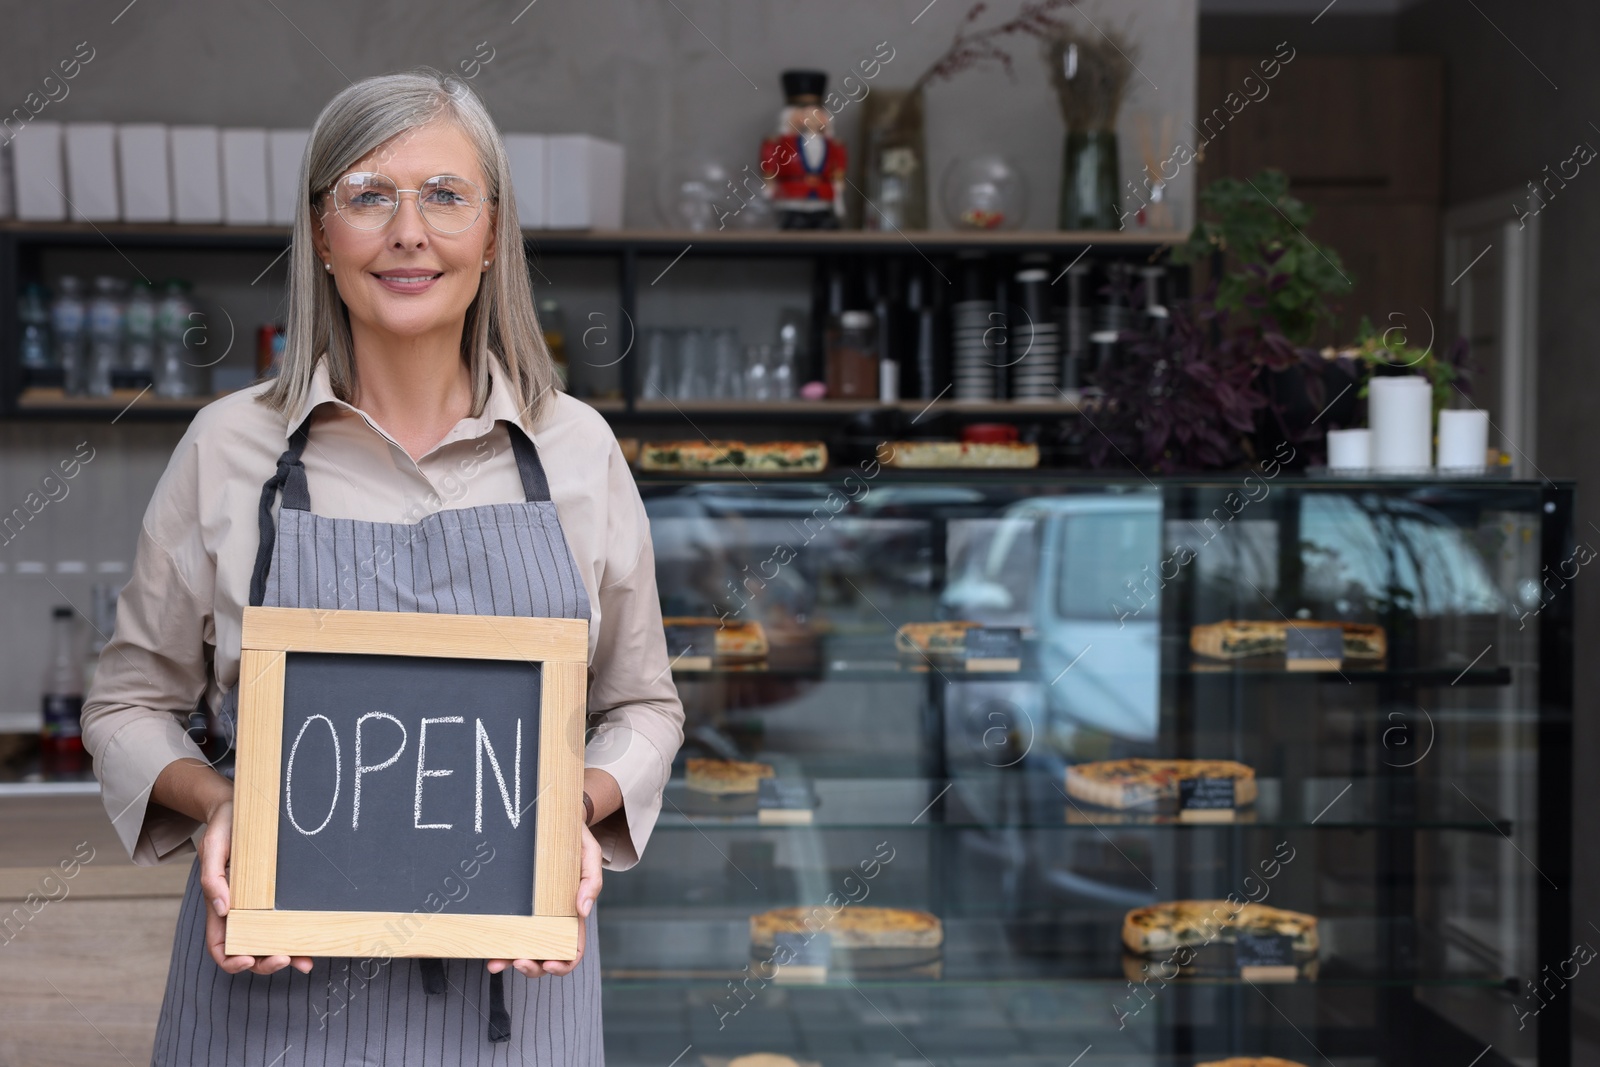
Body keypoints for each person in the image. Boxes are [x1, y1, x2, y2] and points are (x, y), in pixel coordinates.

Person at [79, 67, 683, 1065]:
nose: (409, 232)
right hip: (268, 1007)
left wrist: (567, 808)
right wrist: (225, 804)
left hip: (517, 1009)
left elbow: (645, 708)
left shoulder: (576, 450)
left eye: (446, 195)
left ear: (493, 233)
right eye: (368, 196)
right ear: (321, 232)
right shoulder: (227, 446)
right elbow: (125, 706)